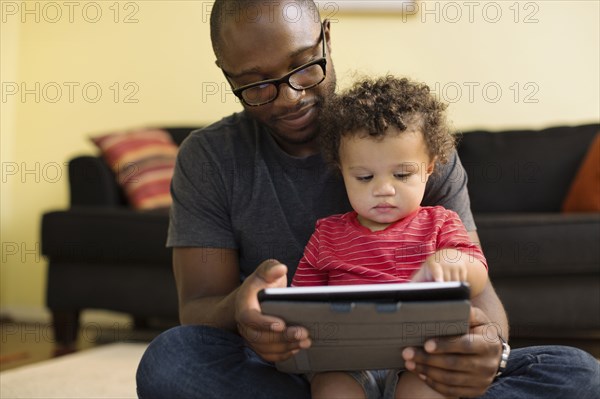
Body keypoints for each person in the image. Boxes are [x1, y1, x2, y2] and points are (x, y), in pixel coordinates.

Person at [136, 1, 600, 398]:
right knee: (171, 362)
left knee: (577, 375)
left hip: (422, 367)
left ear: (327, 38)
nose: (290, 97)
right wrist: (242, 310)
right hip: (306, 372)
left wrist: (489, 353)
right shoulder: (210, 158)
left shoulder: (409, 141)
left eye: (305, 66)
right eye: (256, 84)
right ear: (225, 72)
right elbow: (196, 308)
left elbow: (482, 294)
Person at [291, 76, 490, 399]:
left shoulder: (440, 223)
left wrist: (452, 262)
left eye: (402, 174)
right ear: (342, 172)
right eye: (364, 177)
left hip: (422, 356)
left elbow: (478, 273)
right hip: (346, 361)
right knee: (331, 388)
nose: (384, 189)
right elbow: (301, 304)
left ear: (429, 169)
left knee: (426, 390)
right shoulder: (327, 234)